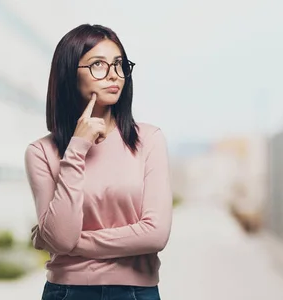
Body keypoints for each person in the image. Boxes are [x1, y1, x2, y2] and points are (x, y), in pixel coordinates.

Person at [24, 24, 173, 300]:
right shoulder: (40, 152)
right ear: (69, 74)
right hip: (67, 292)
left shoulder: (148, 140)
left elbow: (155, 234)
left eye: (118, 64)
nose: (113, 75)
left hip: (137, 292)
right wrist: (77, 147)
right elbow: (61, 238)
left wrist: (71, 244)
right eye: (98, 65)